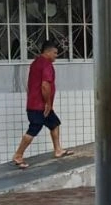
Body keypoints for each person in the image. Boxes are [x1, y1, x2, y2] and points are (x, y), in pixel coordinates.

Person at [12, 39, 73, 168]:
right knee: (34, 128)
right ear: (49, 52)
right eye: (55, 53)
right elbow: (45, 85)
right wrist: (48, 103)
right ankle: (18, 155)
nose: (57, 56)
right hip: (39, 106)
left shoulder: (36, 63)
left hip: (36, 103)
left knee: (55, 123)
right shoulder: (46, 65)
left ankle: (58, 150)